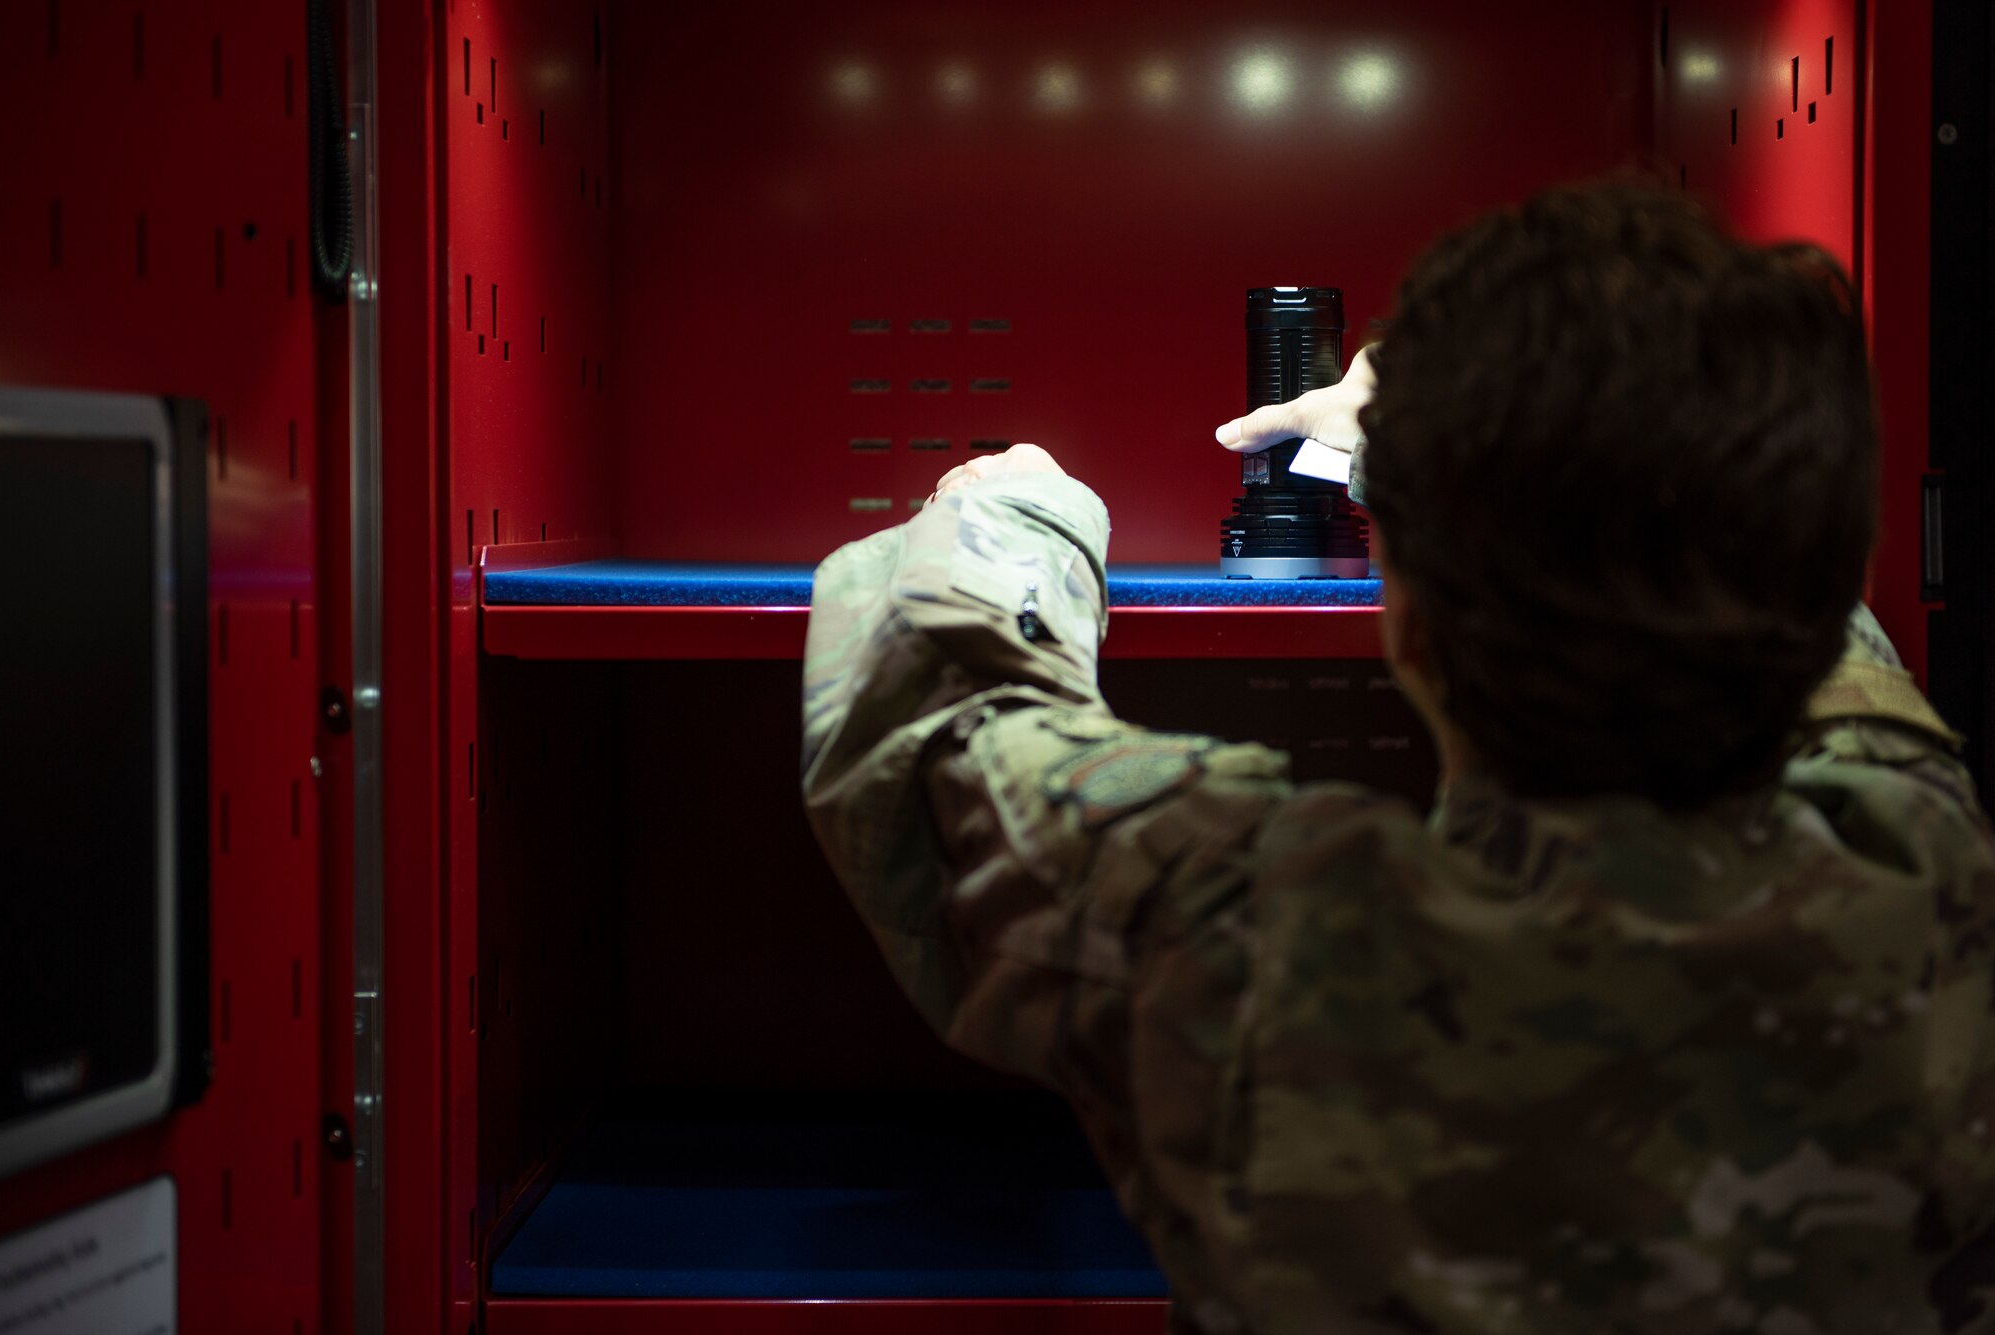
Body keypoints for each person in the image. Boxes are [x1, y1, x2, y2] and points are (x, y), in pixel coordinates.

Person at [799, 182, 1995, 1334]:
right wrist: (1456, 454)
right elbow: (1810, 628)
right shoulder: (1929, 870)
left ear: (1407, 630)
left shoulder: (1259, 939)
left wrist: (1017, 507)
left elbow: (953, 730)